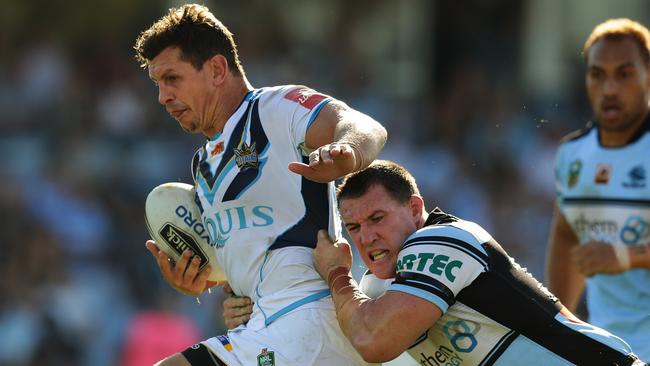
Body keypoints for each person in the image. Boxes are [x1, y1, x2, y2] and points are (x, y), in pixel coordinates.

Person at [133, 4, 387, 365]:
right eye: (158, 84)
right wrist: (198, 281)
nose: (163, 97)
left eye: (172, 79)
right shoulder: (203, 164)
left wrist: (347, 150)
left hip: (310, 320)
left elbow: (363, 124)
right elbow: (244, 260)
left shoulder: (273, 109)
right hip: (268, 329)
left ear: (217, 69)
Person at [309, 160, 645, 365]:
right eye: (353, 227)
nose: (366, 237)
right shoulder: (376, 289)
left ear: (414, 209)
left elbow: (373, 341)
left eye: (377, 218)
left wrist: (337, 273)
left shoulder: (442, 240)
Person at [544, 18, 650, 362]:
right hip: (610, 348)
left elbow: (613, 254)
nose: (609, 88)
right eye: (598, 74)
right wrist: (556, 328)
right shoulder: (572, 153)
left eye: (624, 73)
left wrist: (625, 256)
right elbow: (566, 234)